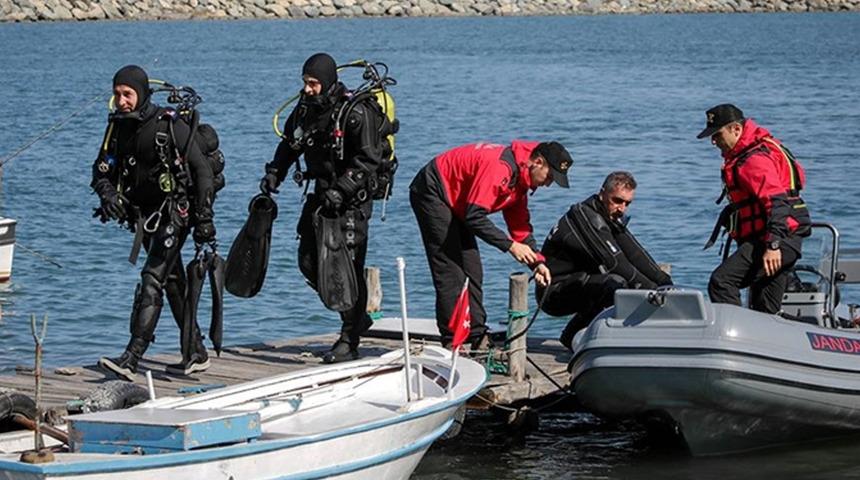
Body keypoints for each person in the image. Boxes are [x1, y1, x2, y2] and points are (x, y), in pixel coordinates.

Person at [259, 53, 397, 364]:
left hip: (352, 201)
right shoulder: (305, 109)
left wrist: (343, 189)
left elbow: (369, 159)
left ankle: (350, 338)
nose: (307, 89)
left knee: (346, 268)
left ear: (328, 82)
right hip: (321, 196)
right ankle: (356, 317)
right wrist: (274, 172)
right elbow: (290, 144)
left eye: (313, 83)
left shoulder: (355, 112)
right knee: (308, 262)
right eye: (305, 83)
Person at [92, 65, 217, 381]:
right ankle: (196, 352)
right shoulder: (117, 128)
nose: (121, 101)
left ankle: (132, 357)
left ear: (143, 93)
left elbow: (202, 173)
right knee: (172, 283)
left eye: (128, 94)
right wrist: (109, 197)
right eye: (117, 94)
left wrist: (204, 220)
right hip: (145, 217)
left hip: (176, 213)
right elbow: (101, 172)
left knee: (152, 278)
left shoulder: (168, 126)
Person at [409, 141, 568, 349]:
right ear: (537, 162)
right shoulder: (501, 168)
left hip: (460, 201)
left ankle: (476, 336)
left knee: (473, 269)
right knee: (451, 271)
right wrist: (510, 246)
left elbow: (519, 225)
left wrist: (536, 262)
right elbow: (475, 217)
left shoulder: (521, 178)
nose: (548, 184)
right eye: (549, 177)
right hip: (433, 191)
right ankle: (451, 342)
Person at [538, 171, 673, 350]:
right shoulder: (587, 219)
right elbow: (616, 264)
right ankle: (572, 335)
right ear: (602, 194)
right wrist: (653, 292)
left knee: (622, 282)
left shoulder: (606, 215)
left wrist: (666, 283)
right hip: (553, 292)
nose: (622, 208)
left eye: (627, 203)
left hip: (579, 282)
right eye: (617, 200)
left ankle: (602, 336)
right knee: (616, 283)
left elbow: (635, 253)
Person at [698, 104, 811, 314]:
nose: (714, 142)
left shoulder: (753, 161)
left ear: (735, 129)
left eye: (717, 134)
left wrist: (773, 246)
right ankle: (767, 343)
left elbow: (777, 202)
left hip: (776, 240)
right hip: (783, 238)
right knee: (764, 308)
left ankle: (734, 336)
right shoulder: (752, 153)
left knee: (722, 282)